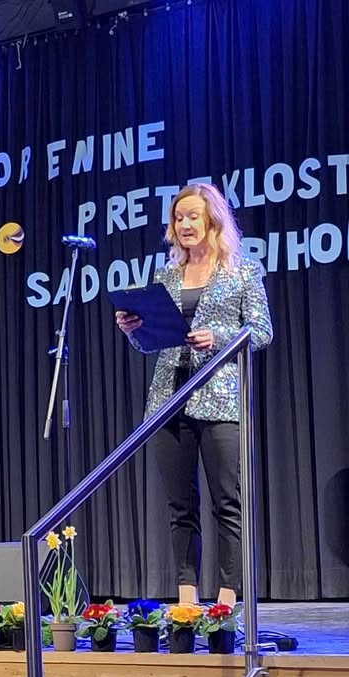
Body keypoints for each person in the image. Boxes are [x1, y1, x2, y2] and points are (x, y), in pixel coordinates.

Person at [116, 183, 273, 608]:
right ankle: (186, 601)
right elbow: (153, 344)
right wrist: (135, 330)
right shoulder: (165, 276)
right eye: (178, 217)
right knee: (180, 506)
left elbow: (261, 331)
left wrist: (218, 337)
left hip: (219, 399)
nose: (184, 224)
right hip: (168, 400)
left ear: (212, 220)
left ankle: (226, 600)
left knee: (227, 503)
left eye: (192, 216)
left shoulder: (242, 271)